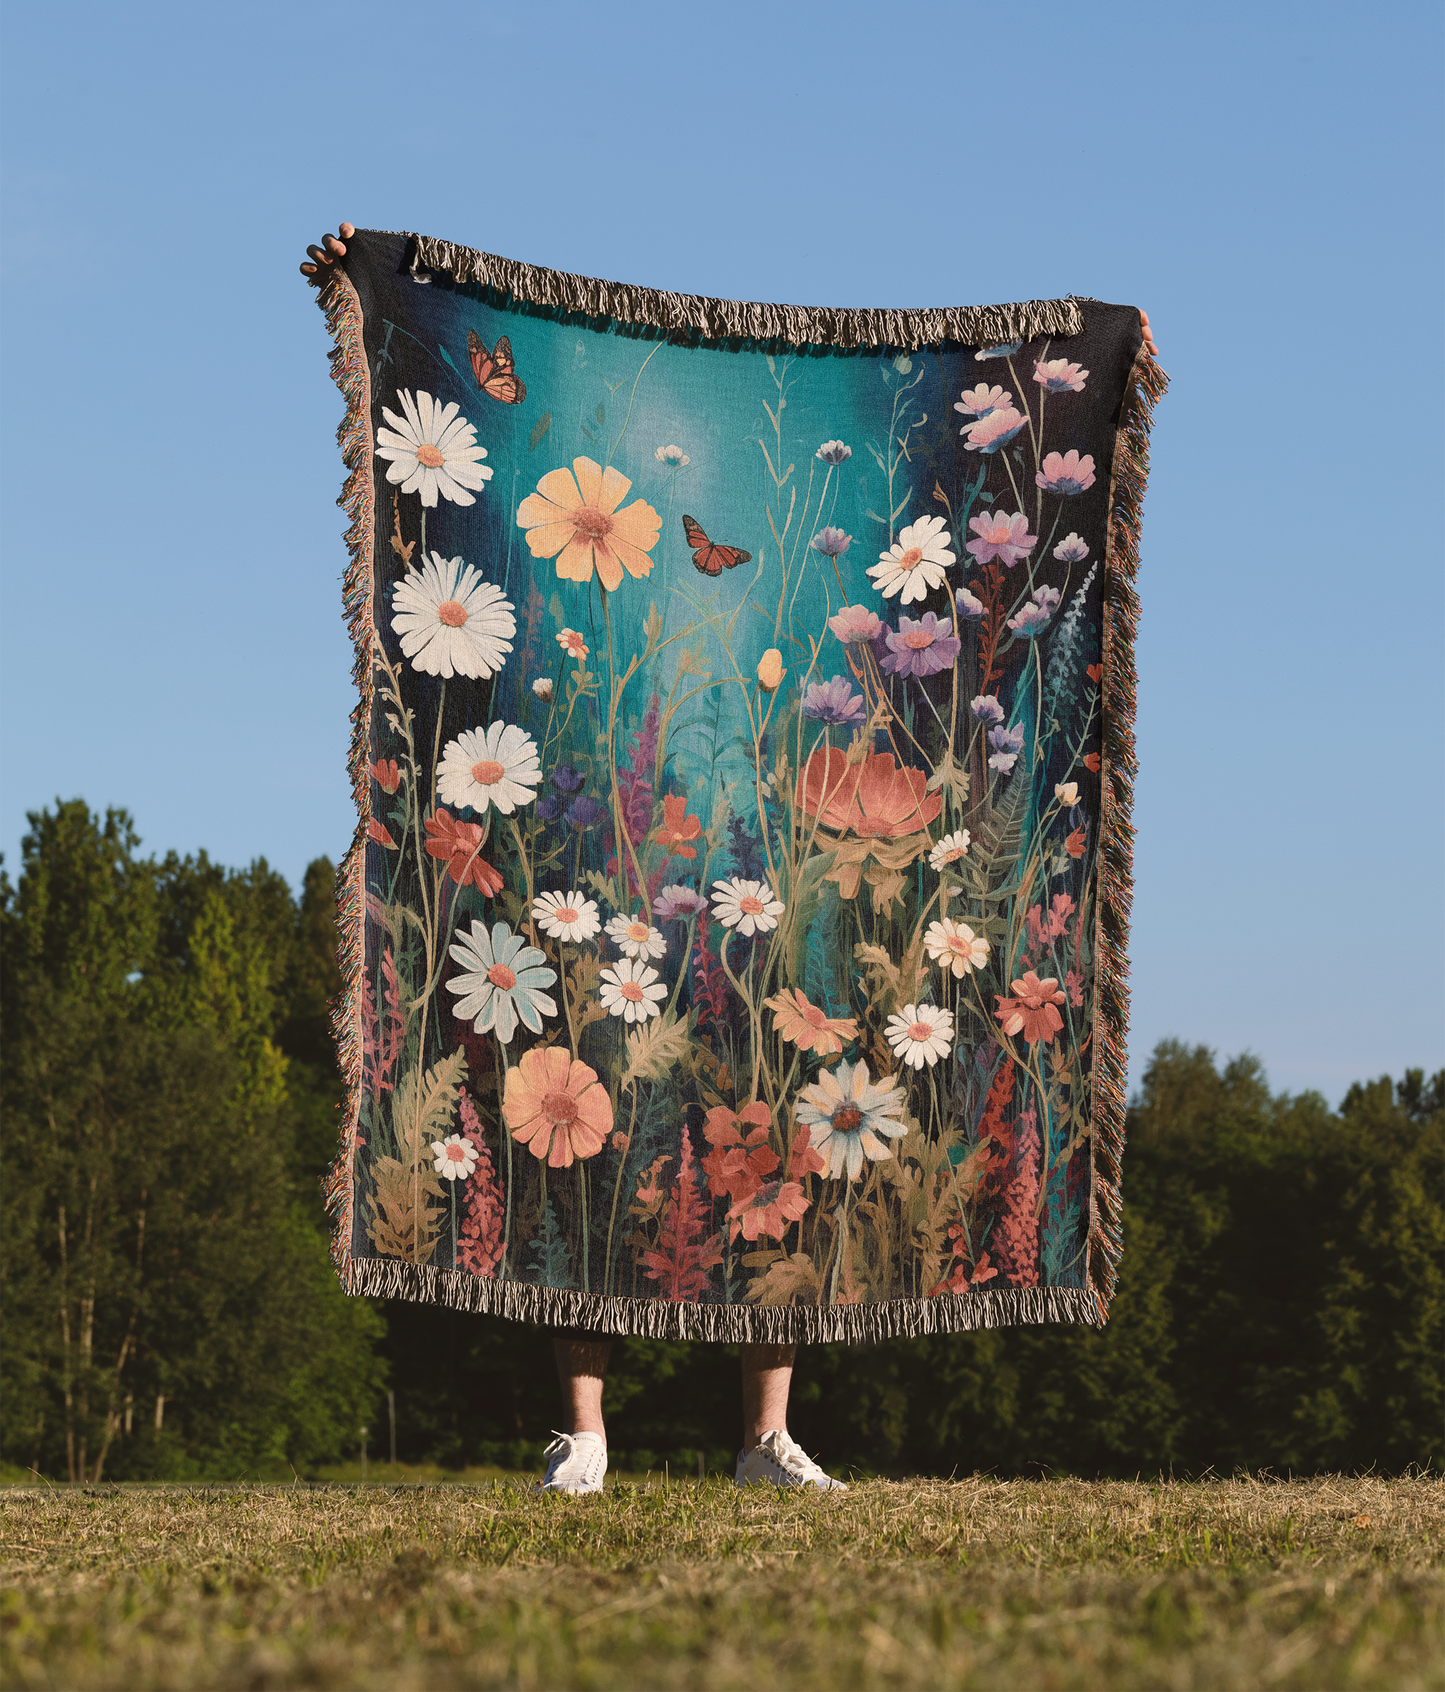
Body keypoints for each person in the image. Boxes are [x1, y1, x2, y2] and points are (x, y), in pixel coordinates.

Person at [301, 222, 1159, 1495]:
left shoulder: (815, 692)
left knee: (798, 1113)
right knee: (575, 1101)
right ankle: (584, 1433)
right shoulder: (631, 631)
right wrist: (369, 269)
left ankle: (764, 1437)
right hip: (623, 868)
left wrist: (1104, 356)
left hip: (767, 879)